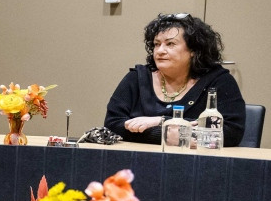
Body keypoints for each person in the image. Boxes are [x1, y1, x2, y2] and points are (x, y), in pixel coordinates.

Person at [105, 13, 245, 146]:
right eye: (156, 44)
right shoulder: (136, 77)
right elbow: (112, 125)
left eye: (170, 44)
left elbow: (231, 132)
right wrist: (170, 134)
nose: (160, 50)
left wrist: (160, 121)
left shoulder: (218, 81)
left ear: (193, 50)